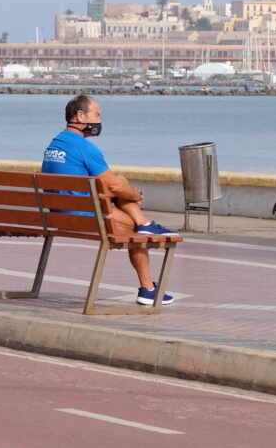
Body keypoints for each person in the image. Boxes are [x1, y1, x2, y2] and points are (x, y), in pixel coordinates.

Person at [41, 94, 177, 306]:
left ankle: (145, 224)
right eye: (97, 115)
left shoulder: (54, 145)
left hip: (60, 217)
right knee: (134, 223)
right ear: (80, 116)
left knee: (118, 186)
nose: (99, 121)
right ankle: (147, 288)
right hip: (87, 218)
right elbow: (114, 185)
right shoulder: (84, 147)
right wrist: (134, 195)